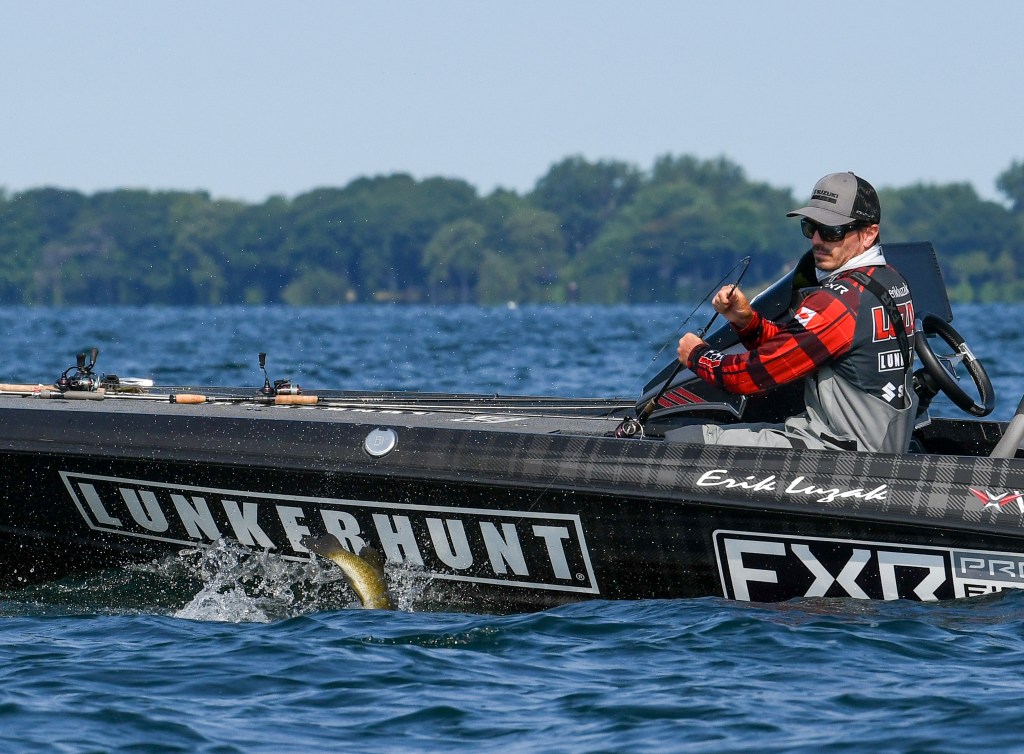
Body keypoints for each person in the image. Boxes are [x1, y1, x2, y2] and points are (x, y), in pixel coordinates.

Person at [671, 172, 916, 453]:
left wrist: (698, 356)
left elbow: (748, 377)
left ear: (869, 234)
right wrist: (747, 322)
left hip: (842, 454)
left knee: (683, 441)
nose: (817, 240)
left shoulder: (838, 302)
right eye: (811, 227)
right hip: (876, 444)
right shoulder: (891, 281)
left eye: (832, 231)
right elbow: (799, 348)